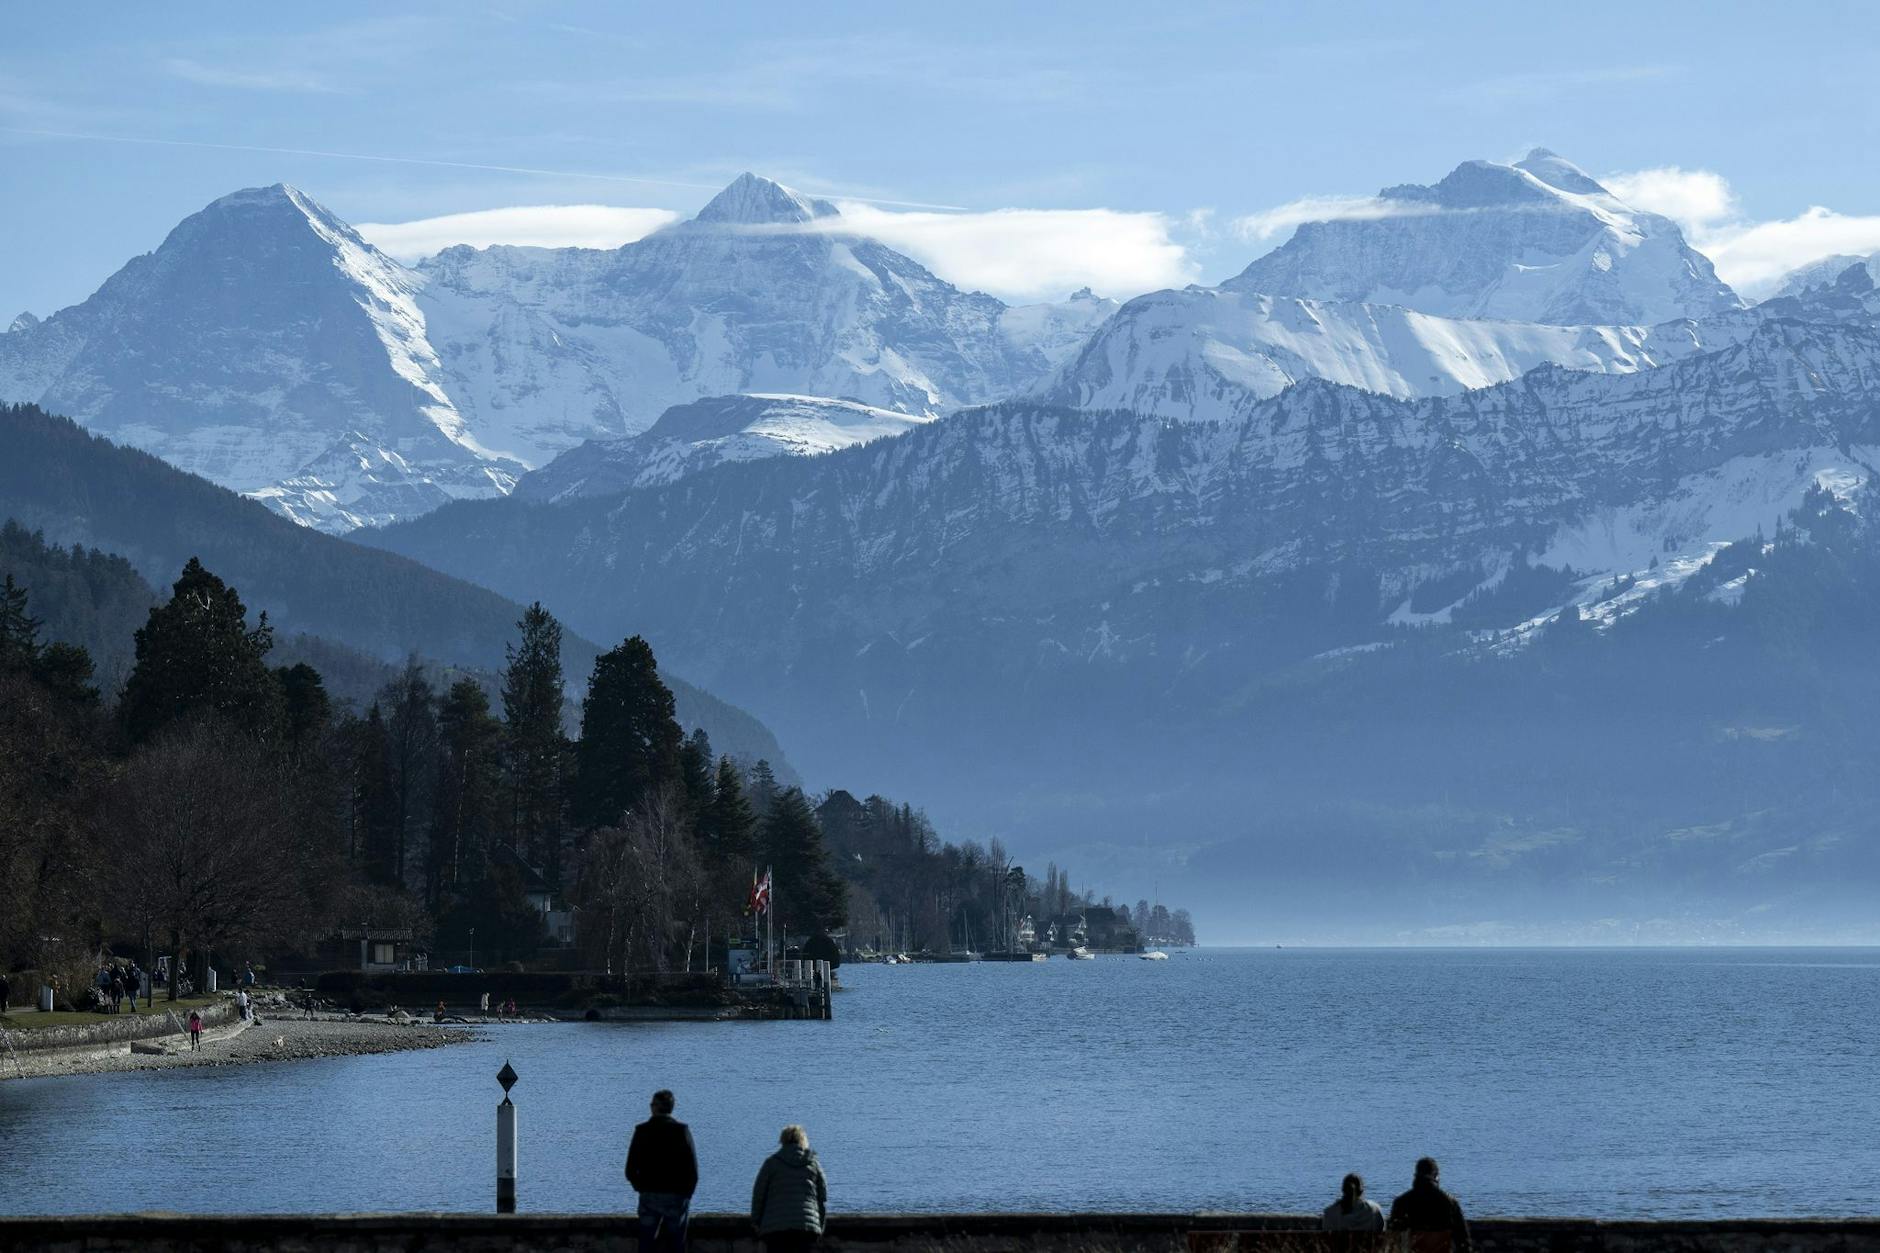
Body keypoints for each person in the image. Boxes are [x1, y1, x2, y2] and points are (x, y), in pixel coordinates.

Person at [626, 1089, 699, 1253]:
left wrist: (641, 1187)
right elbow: (692, 1170)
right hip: (676, 1196)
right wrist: (686, 1194)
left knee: (646, 1243)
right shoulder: (681, 1131)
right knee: (676, 1244)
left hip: (649, 1195)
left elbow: (630, 1169)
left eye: (652, 1104)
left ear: (656, 1107)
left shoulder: (642, 1131)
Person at [750, 1124, 827, 1253]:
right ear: (803, 1140)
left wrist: (756, 1222)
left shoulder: (771, 1163)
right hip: (806, 1228)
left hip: (776, 1229)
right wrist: (820, 1227)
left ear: (782, 1141)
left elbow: (758, 1195)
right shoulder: (814, 1164)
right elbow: (822, 1198)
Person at [1389, 1157, 1471, 1253]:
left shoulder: (1401, 1202)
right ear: (1436, 1176)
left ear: (1415, 1176)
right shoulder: (1450, 1203)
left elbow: (1392, 1238)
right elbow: (1463, 1240)